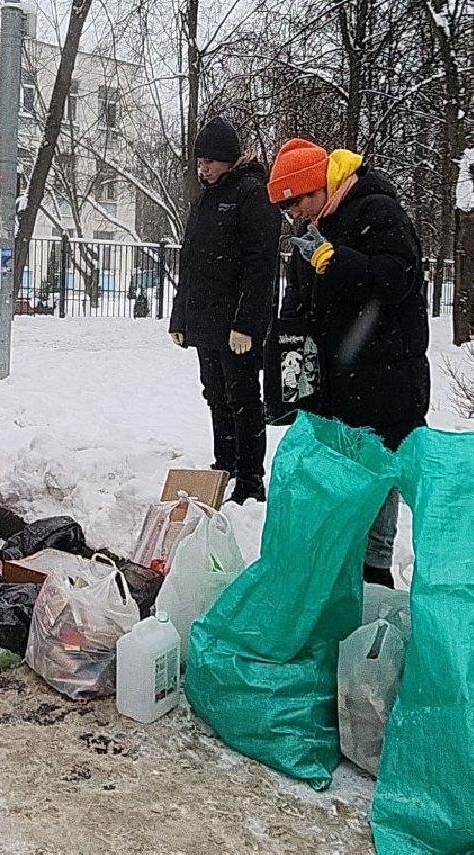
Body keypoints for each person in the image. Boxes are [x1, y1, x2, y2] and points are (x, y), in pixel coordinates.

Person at [266, 137, 429, 587]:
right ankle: (341, 578)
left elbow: (398, 279)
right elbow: (300, 304)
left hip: (385, 379)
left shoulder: (377, 210)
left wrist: (336, 262)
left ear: (317, 185)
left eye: (296, 201)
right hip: (337, 383)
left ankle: (375, 576)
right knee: (342, 479)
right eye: (287, 208)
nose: (294, 213)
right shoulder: (311, 230)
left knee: (378, 477)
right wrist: (284, 359)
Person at [168, 117, 283, 504]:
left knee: (243, 398)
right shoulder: (205, 199)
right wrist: (179, 318)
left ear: (229, 160)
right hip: (205, 321)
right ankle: (226, 467)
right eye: (201, 162)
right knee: (215, 396)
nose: (205, 168)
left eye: (212, 162)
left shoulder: (252, 194)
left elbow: (260, 264)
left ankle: (250, 481)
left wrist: (247, 324)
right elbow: (191, 261)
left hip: (236, 326)